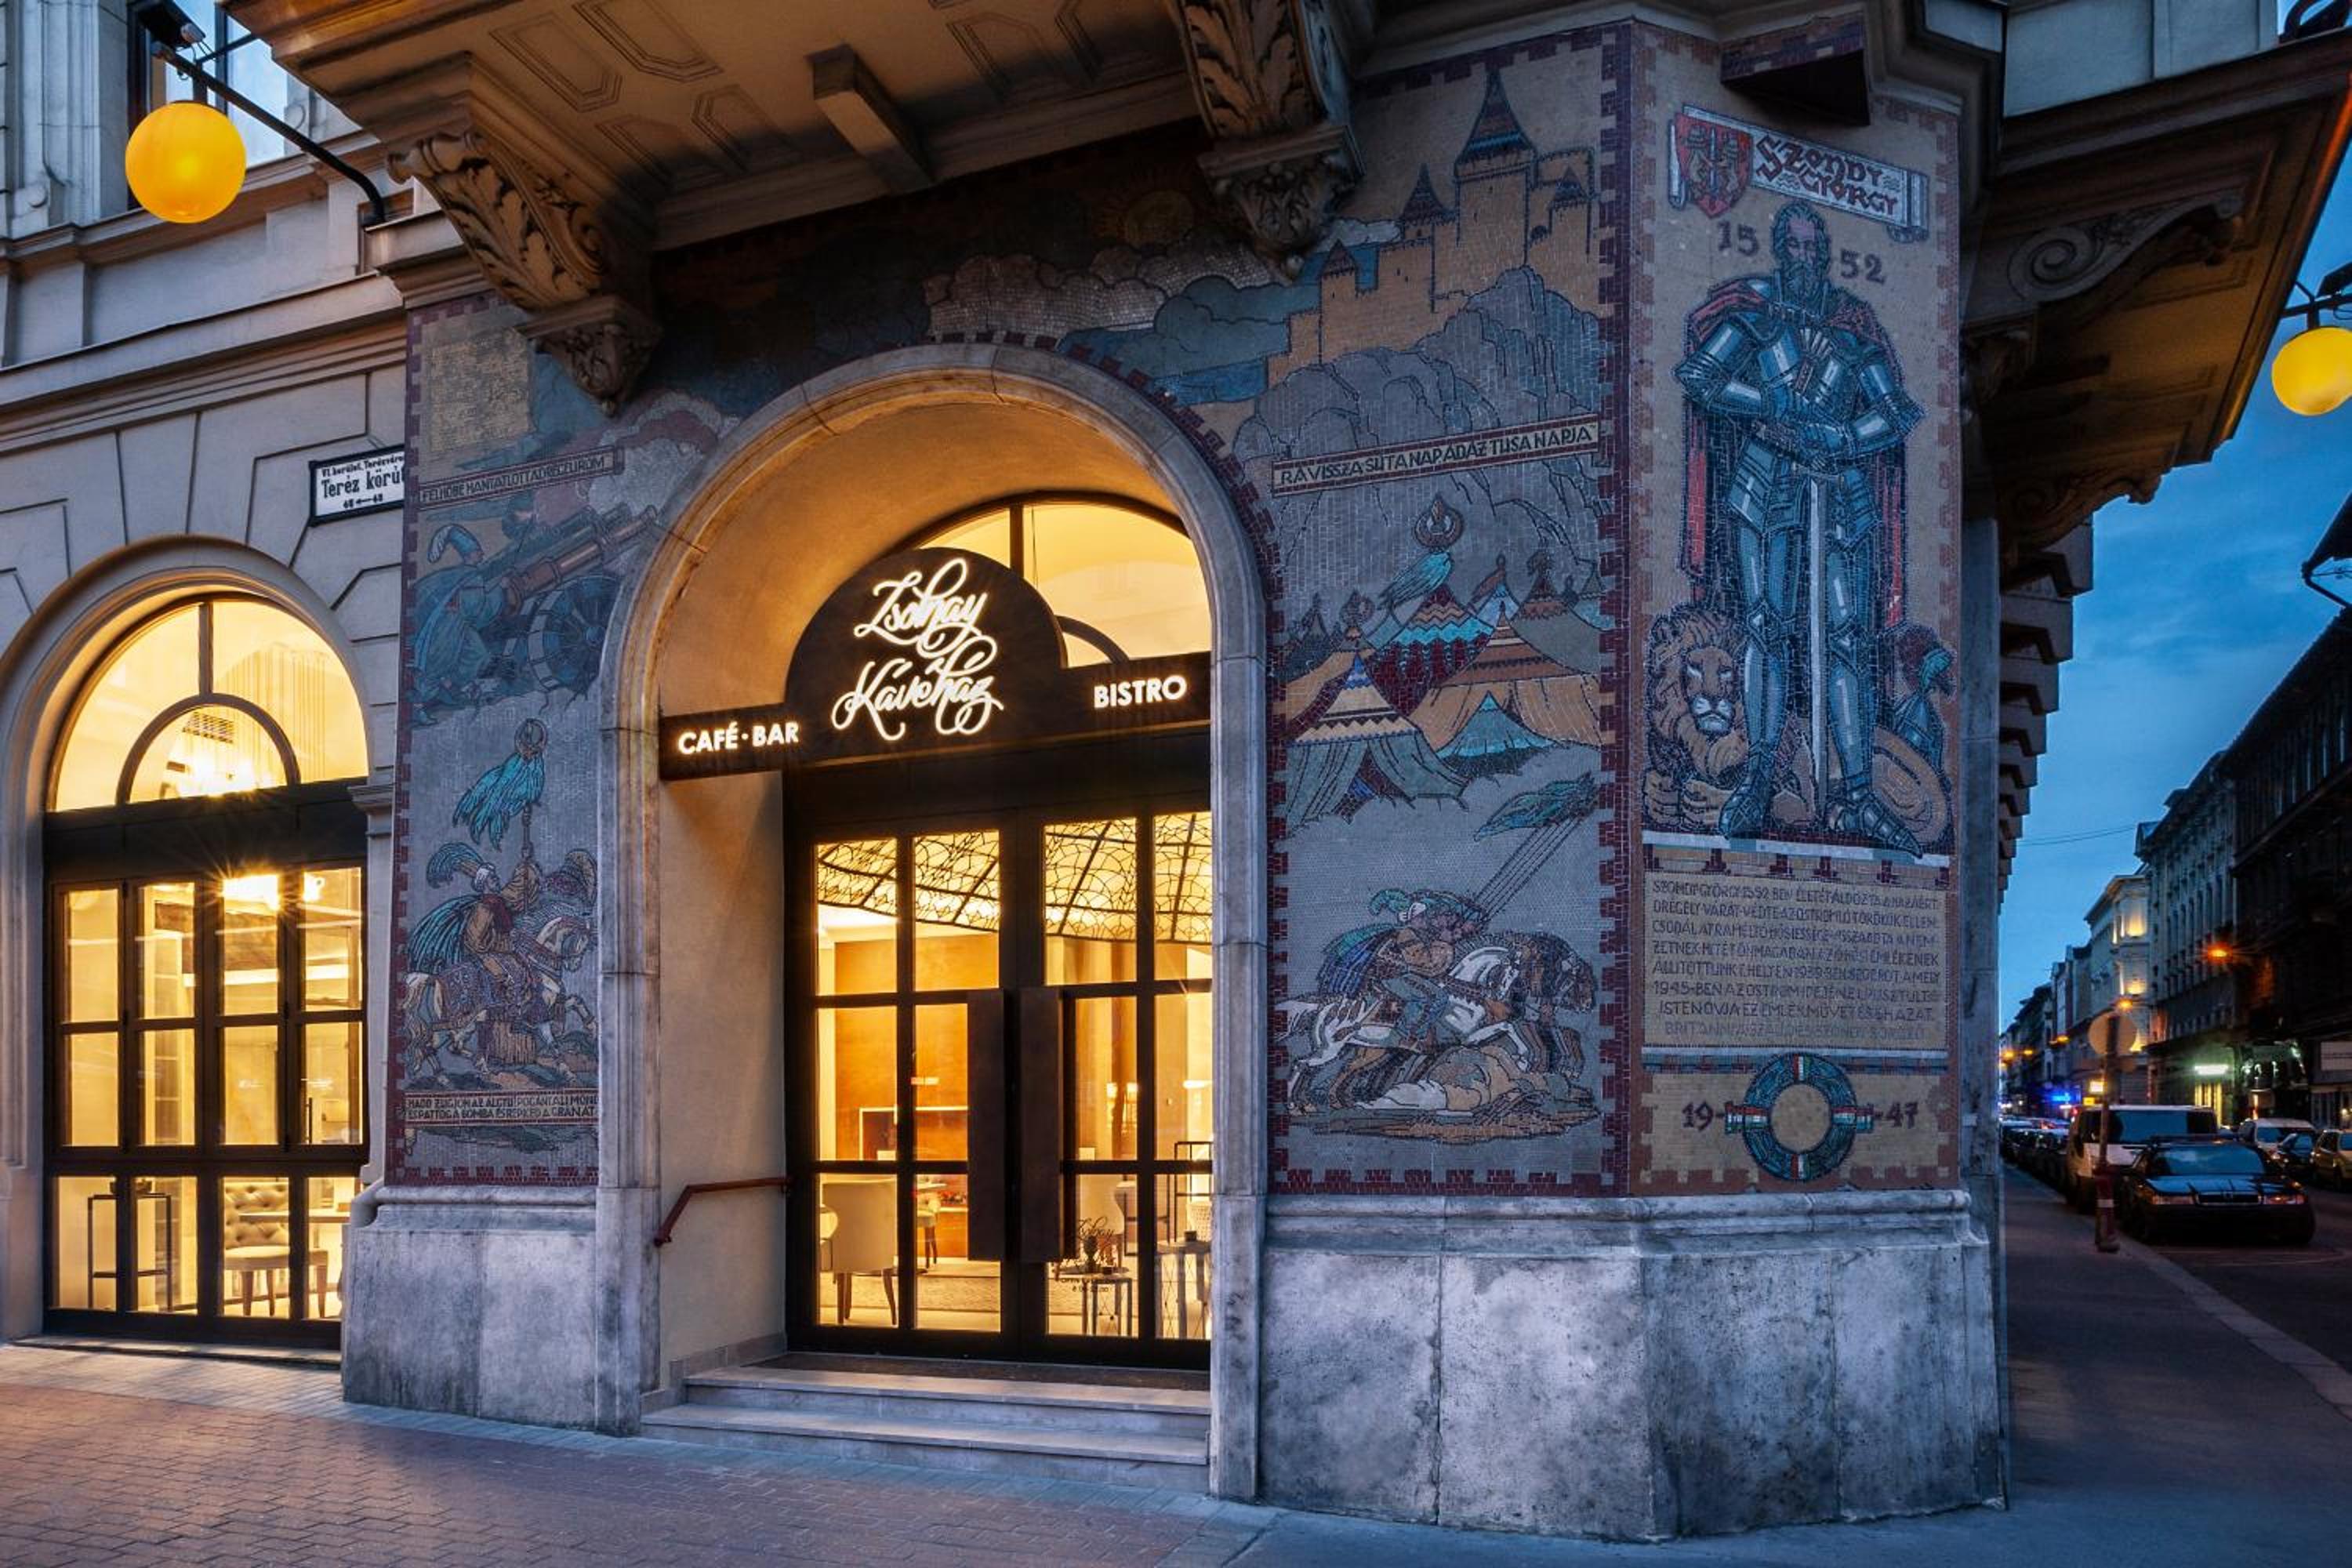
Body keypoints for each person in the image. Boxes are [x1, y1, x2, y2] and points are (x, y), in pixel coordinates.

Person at [1675, 198, 1922, 853]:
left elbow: (1896, 410)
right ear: (1783, 251)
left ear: (1826, 256)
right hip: (1766, 476)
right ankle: (1758, 778)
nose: (1805, 259)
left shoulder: (1851, 333)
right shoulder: (1754, 320)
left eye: (1815, 249)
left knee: (1847, 638)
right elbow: (1699, 376)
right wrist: (1766, 399)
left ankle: (1858, 795)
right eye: (1796, 247)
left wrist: (1848, 436)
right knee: (1765, 624)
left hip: (1840, 488)